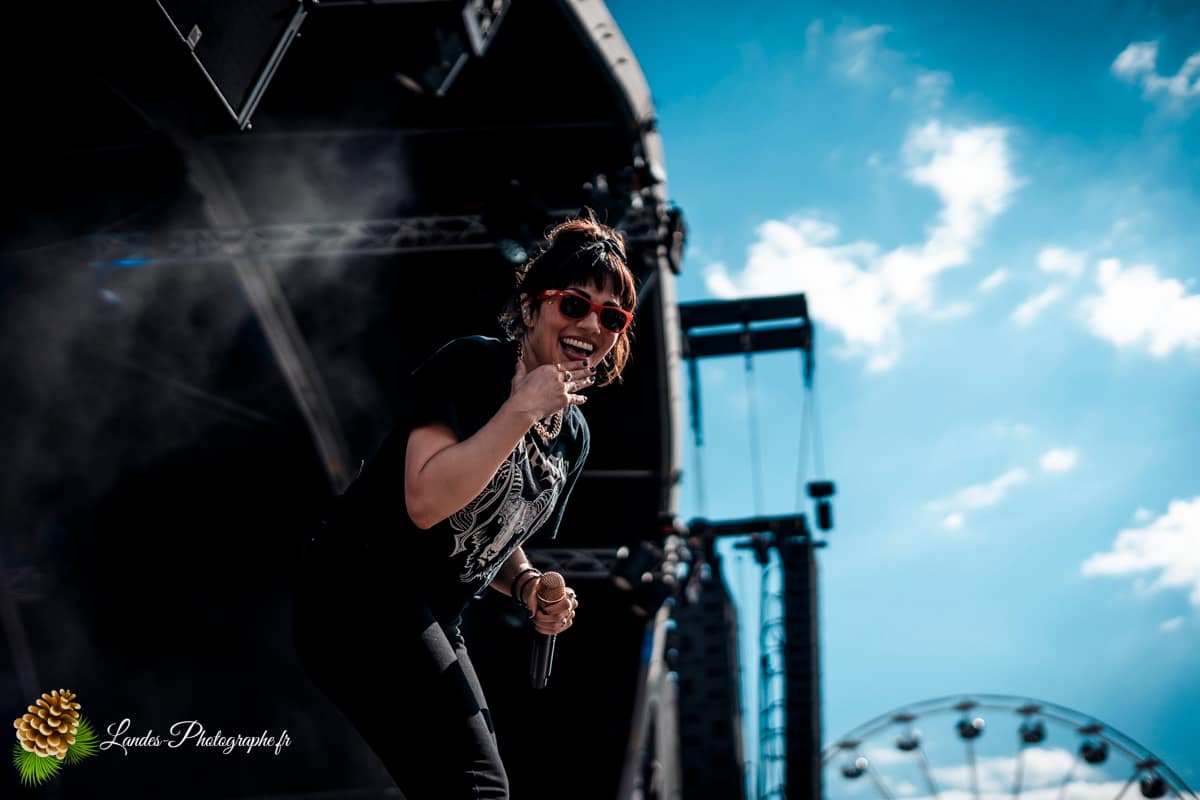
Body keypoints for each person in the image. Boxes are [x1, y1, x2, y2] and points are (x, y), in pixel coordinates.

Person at [291, 211, 638, 799]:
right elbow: (427, 501)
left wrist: (528, 585)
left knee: (462, 788)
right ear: (530, 307)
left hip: (431, 613)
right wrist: (520, 410)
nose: (591, 325)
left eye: (611, 316)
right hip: (360, 587)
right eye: (574, 304)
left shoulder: (573, 435)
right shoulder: (474, 365)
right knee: (479, 788)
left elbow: (493, 530)